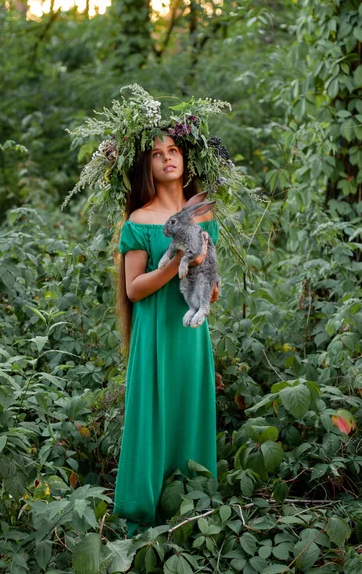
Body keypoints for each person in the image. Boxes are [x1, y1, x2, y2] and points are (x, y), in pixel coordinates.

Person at [113, 133, 220, 535]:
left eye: (173, 151)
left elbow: (209, 279)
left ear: (184, 158)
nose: (167, 159)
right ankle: (143, 515)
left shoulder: (205, 218)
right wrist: (172, 263)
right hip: (155, 335)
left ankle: (195, 513)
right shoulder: (139, 221)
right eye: (157, 154)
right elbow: (133, 289)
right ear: (148, 166)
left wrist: (210, 282)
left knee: (189, 412)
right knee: (153, 416)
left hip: (191, 335)